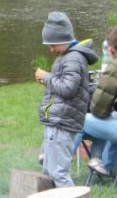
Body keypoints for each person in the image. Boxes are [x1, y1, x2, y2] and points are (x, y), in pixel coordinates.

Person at [34, 11, 98, 187]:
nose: (51, 49)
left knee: (58, 173)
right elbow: (64, 84)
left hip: (62, 122)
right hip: (58, 120)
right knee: (49, 171)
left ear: (63, 39)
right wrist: (48, 80)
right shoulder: (69, 57)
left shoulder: (73, 58)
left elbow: (68, 89)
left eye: (52, 44)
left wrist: (47, 77)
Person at [75, 25, 117, 177]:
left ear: (111, 50)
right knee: (116, 116)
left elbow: (99, 109)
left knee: (77, 120)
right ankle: (105, 165)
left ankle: (57, 168)